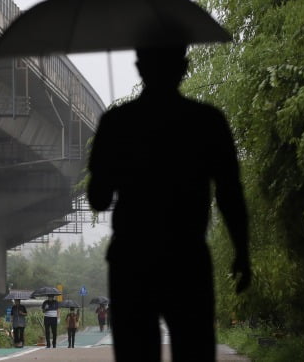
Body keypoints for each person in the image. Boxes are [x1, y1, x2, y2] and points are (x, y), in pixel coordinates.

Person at [87, 45, 251, 362]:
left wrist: (113, 165)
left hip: (131, 260)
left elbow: (98, 199)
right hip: (187, 257)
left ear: (139, 67)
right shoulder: (207, 121)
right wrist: (242, 252)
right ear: (184, 67)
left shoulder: (117, 123)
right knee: (194, 350)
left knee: (136, 353)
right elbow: (230, 193)